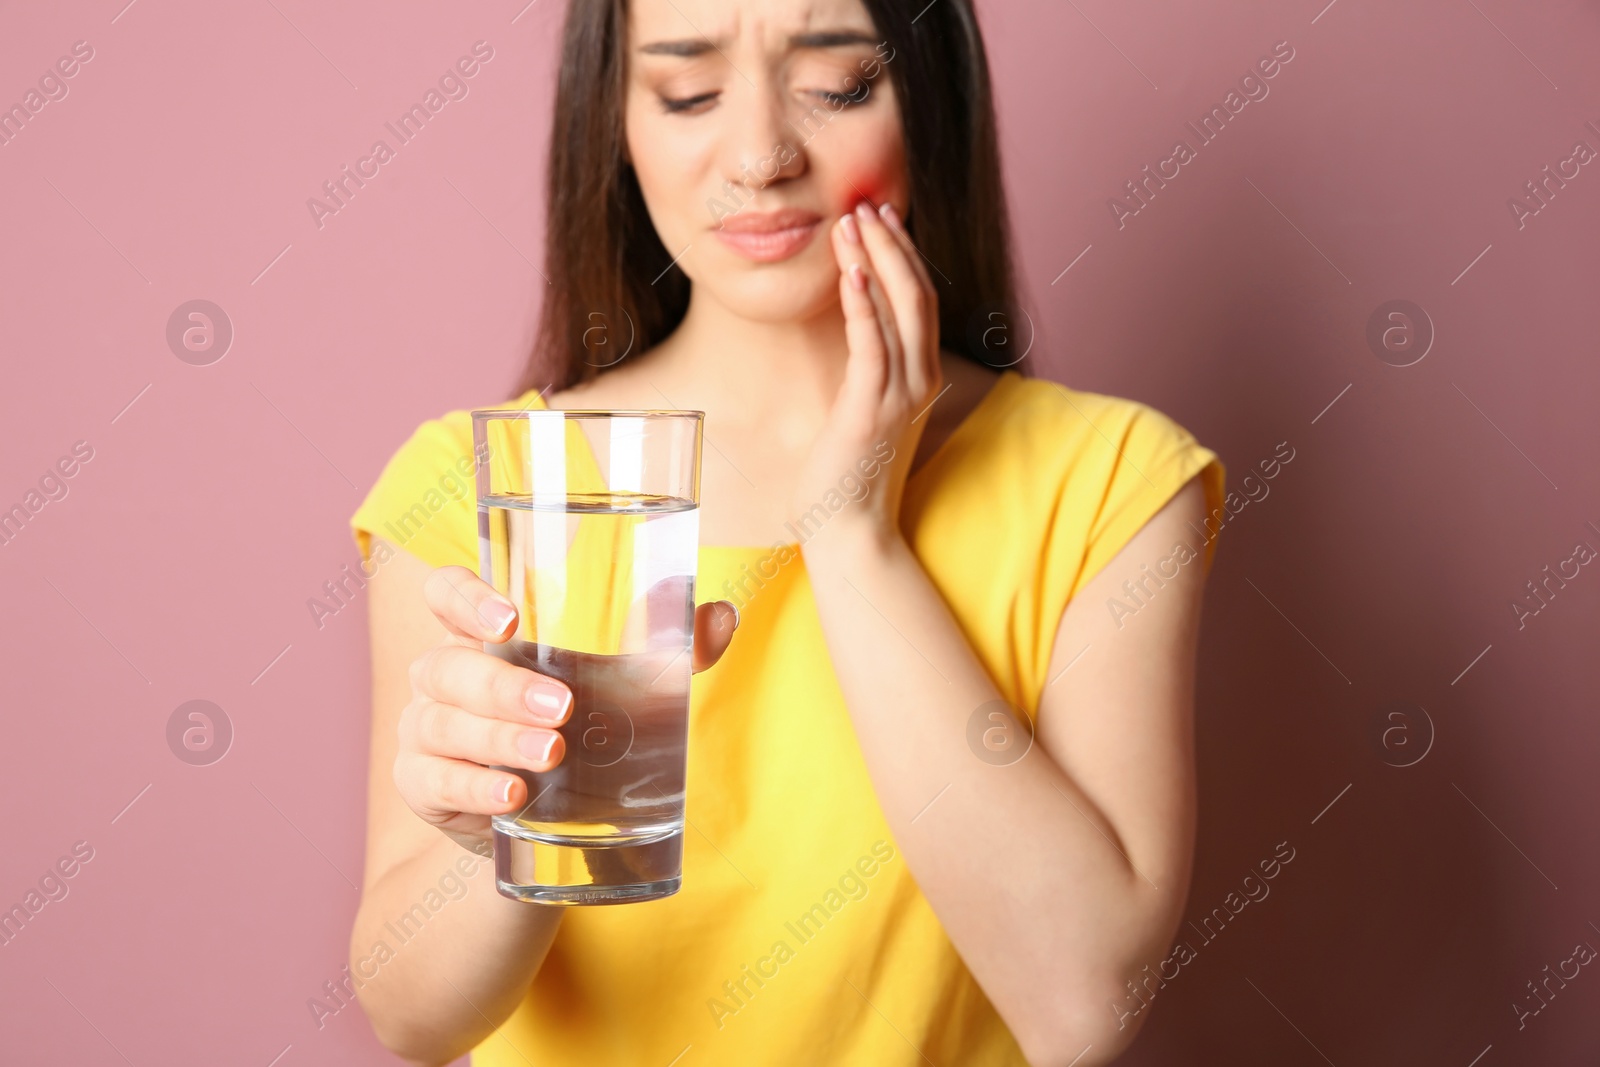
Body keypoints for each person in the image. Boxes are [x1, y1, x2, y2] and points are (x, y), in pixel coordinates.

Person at [347, 0, 1225, 1063]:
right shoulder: (485, 486)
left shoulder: (1112, 483)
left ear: (928, 107)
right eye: (687, 90)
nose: (760, 157)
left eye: (838, 84)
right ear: (614, 124)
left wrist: (851, 532)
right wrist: (511, 817)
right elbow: (413, 1015)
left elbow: (1081, 1005)